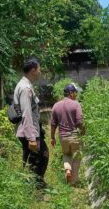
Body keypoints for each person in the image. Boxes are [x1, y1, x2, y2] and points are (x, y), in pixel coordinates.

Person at [13, 58, 48, 187]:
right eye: (39, 69)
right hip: (29, 131)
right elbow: (26, 113)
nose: (40, 71)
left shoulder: (24, 85)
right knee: (41, 157)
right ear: (33, 70)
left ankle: (31, 186)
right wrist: (32, 138)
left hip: (29, 130)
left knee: (31, 160)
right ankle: (37, 188)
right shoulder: (26, 88)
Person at [50, 83, 85, 185]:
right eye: (75, 92)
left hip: (63, 136)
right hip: (74, 135)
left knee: (66, 154)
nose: (76, 95)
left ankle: (67, 169)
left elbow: (53, 124)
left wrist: (52, 137)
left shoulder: (56, 105)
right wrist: (83, 132)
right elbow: (80, 122)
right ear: (70, 93)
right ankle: (73, 181)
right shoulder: (76, 104)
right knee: (77, 156)